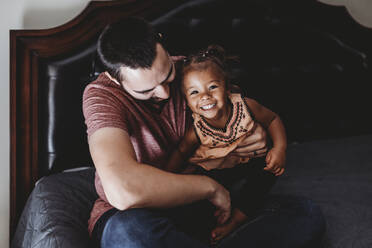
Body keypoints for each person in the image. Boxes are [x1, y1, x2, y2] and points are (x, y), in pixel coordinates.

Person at [83, 16, 325, 248]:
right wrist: (210, 187)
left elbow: (240, 113)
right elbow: (123, 191)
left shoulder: (191, 71)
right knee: (129, 234)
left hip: (200, 208)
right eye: (148, 91)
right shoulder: (102, 96)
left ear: (163, 44)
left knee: (306, 215)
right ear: (116, 80)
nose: (165, 93)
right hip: (140, 213)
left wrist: (254, 136)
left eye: (168, 75)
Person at [164, 44, 286, 244]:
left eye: (212, 87)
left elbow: (273, 119)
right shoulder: (196, 130)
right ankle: (215, 217)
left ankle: (236, 220)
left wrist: (279, 148)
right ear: (186, 100)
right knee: (199, 195)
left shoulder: (246, 106)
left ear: (226, 87)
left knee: (267, 173)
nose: (205, 96)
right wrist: (167, 178)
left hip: (250, 161)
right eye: (194, 92)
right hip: (218, 169)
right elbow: (181, 151)